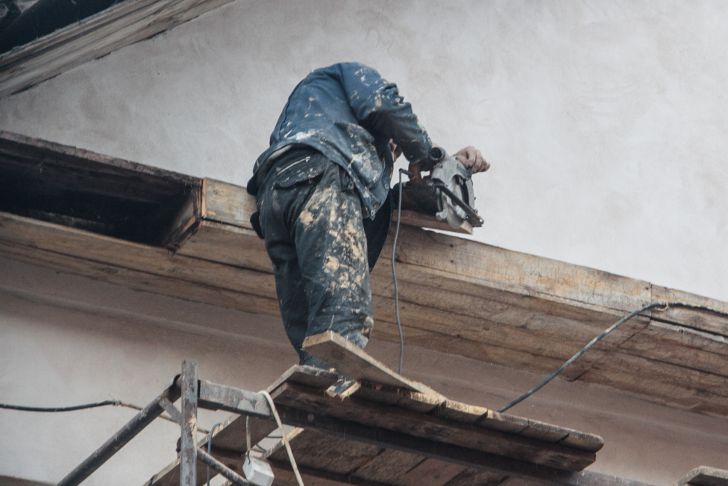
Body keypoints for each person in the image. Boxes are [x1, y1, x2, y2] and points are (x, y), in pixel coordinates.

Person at [247, 62, 489, 367]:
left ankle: (317, 385)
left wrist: (436, 176)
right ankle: (333, 386)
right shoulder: (344, 81)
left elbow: (369, 214)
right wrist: (427, 152)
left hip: (276, 202)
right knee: (344, 316)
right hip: (321, 177)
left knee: (312, 330)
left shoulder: (310, 131)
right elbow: (382, 104)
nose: (391, 151)